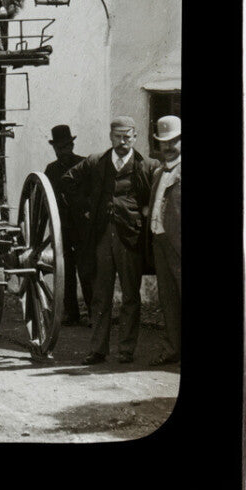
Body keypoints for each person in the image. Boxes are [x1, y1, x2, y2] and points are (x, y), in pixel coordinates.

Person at [61, 117, 157, 365]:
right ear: (110, 137)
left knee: (130, 296)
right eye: (118, 136)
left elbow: (156, 195)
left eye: (127, 137)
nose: (122, 141)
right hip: (102, 236)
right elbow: (68, 181)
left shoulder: (146, 165)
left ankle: (126, 349)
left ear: (135, 137)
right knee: (100, 295)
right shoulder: (96, 162)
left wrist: (144, 213)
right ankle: (98, 349)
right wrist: (86, 208)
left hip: (130, 238)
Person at [43, 124, 92, 326]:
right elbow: (46, 199)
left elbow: (93, 193)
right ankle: (71, 313)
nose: (64, 151)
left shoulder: (84, 165)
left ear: (72, 145)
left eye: (67, 146)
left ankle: (92, 311)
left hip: (83, 227)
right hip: (61, 229)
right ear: (55, 148)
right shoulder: (51, 170)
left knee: (87, 270)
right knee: (65, 271)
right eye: (60, 148)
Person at [148, 115, 181, 366]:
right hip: (160, 243)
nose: (168, 148)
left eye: (174, 142)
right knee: (168, 299)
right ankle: (172, 349)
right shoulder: (159, 172)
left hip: (179, 244)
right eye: (163, 143)